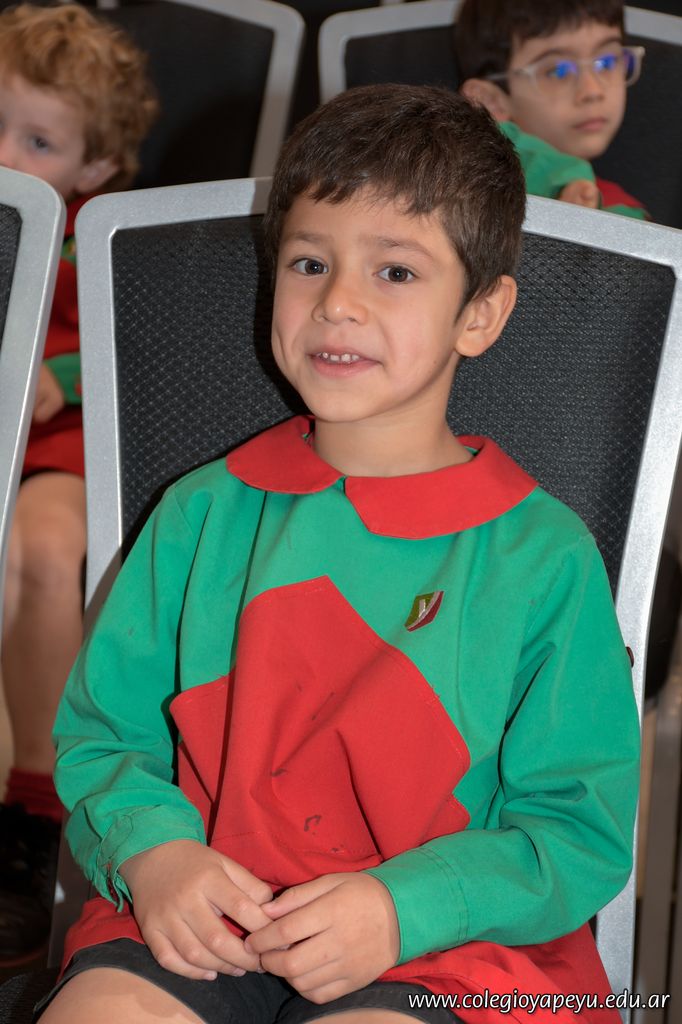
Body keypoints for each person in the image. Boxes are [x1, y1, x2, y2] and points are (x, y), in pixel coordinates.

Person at [38, 84, 639, 1024]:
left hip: (451, 946)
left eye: (395, 271)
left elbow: (576, 829)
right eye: (309, 262)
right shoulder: (201, 513)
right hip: (206, 912)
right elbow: (105, 735)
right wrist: (153, 851)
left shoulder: (543, 556)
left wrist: (404, 908)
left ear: (480, 314)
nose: (338, 304)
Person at [0, 3, 157, 965]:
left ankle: (32, 813)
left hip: (61, 441)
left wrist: (60, 375)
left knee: (46, 548)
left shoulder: (90, 249)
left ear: (92, 170)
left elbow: (136, 353)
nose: (4, 157)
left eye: (39, 142)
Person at [455, 0, 647, 218]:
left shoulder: (623, 208)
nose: (592, 91)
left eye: (607, 62)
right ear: (490, 101)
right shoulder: (466, 192)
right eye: (558, 71)